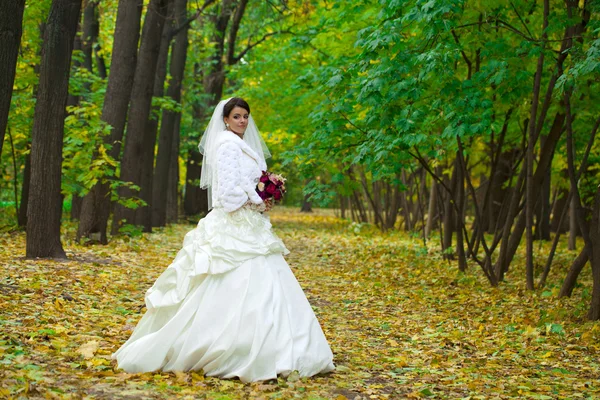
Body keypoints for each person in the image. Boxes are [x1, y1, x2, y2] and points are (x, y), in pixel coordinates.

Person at [112, 97, 335, 383]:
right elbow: (229, 195)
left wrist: (266, 194)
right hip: (234, 227)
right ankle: (229, 347)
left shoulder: (242, 146)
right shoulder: (227, 145)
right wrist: (258, 199)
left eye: (245, 116)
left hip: (251, 226)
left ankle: (278, 348)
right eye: (237, 116)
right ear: (226, 120)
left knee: (267, 285)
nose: (243, 121)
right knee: (229, 281)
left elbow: (246, 185)